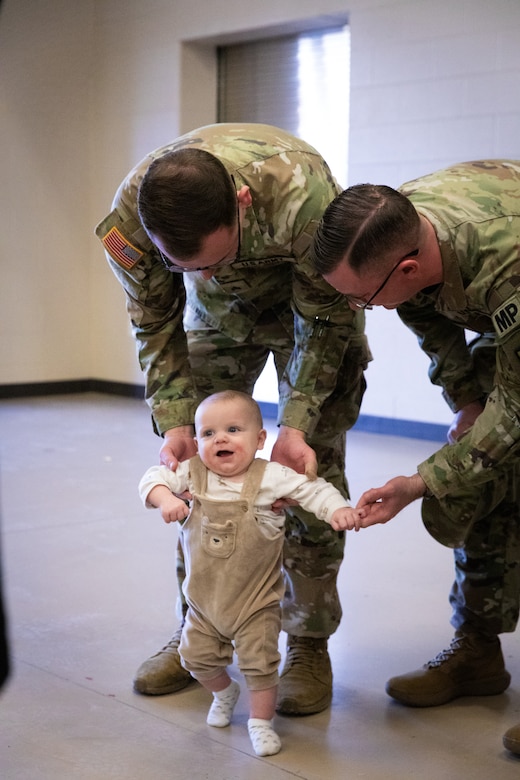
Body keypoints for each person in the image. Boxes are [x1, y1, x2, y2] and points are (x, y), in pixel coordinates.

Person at [95, 123, 370, 715]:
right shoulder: (130, 219)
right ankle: (203, 631)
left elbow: (324, 320)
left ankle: (307, 640)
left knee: (310, 465)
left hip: (310, 317)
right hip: (217, 325)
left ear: (242, 206)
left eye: (215, 258)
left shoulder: (303, 196)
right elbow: (154, 321)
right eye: (188, 265)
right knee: (197, 470)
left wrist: (296, 424)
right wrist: (173, 419)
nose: (207, 272)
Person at [310, 159, 520, 755]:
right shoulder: (399, 223)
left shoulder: (508, 263)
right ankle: (478, 650)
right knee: (486, 484)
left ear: (406, 267)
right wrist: (468, 401)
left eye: (364, 301)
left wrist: (421, 482)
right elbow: (428, 317)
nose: (361, 309)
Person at [138, 390, 364, 756]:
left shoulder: (270, 477)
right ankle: (224, 691)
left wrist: (336, 510)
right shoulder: (191, 474)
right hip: (203, 604)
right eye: (209, 434)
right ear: (196, 443)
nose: (220, 439)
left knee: (260, 665)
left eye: (233, 429)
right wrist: (165, 498)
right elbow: (150, 480)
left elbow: (312, 489)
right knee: (194, 658)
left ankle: (260, 722)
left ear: (260, 440)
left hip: (255, 604)